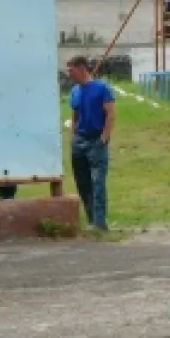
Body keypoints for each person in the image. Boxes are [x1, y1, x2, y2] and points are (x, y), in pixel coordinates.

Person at [65, 55, 116, 231]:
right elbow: (75, 115)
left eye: (71, 70)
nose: (69, 74)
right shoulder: (75, 91)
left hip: (96, 140)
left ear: (81, 68)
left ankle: (100, 222)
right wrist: (73, 136)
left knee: (97, 182)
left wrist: (104, 137)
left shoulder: (102, 88)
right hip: (79, 141)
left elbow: (110, 113)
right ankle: (91, 219)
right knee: (82, 182)